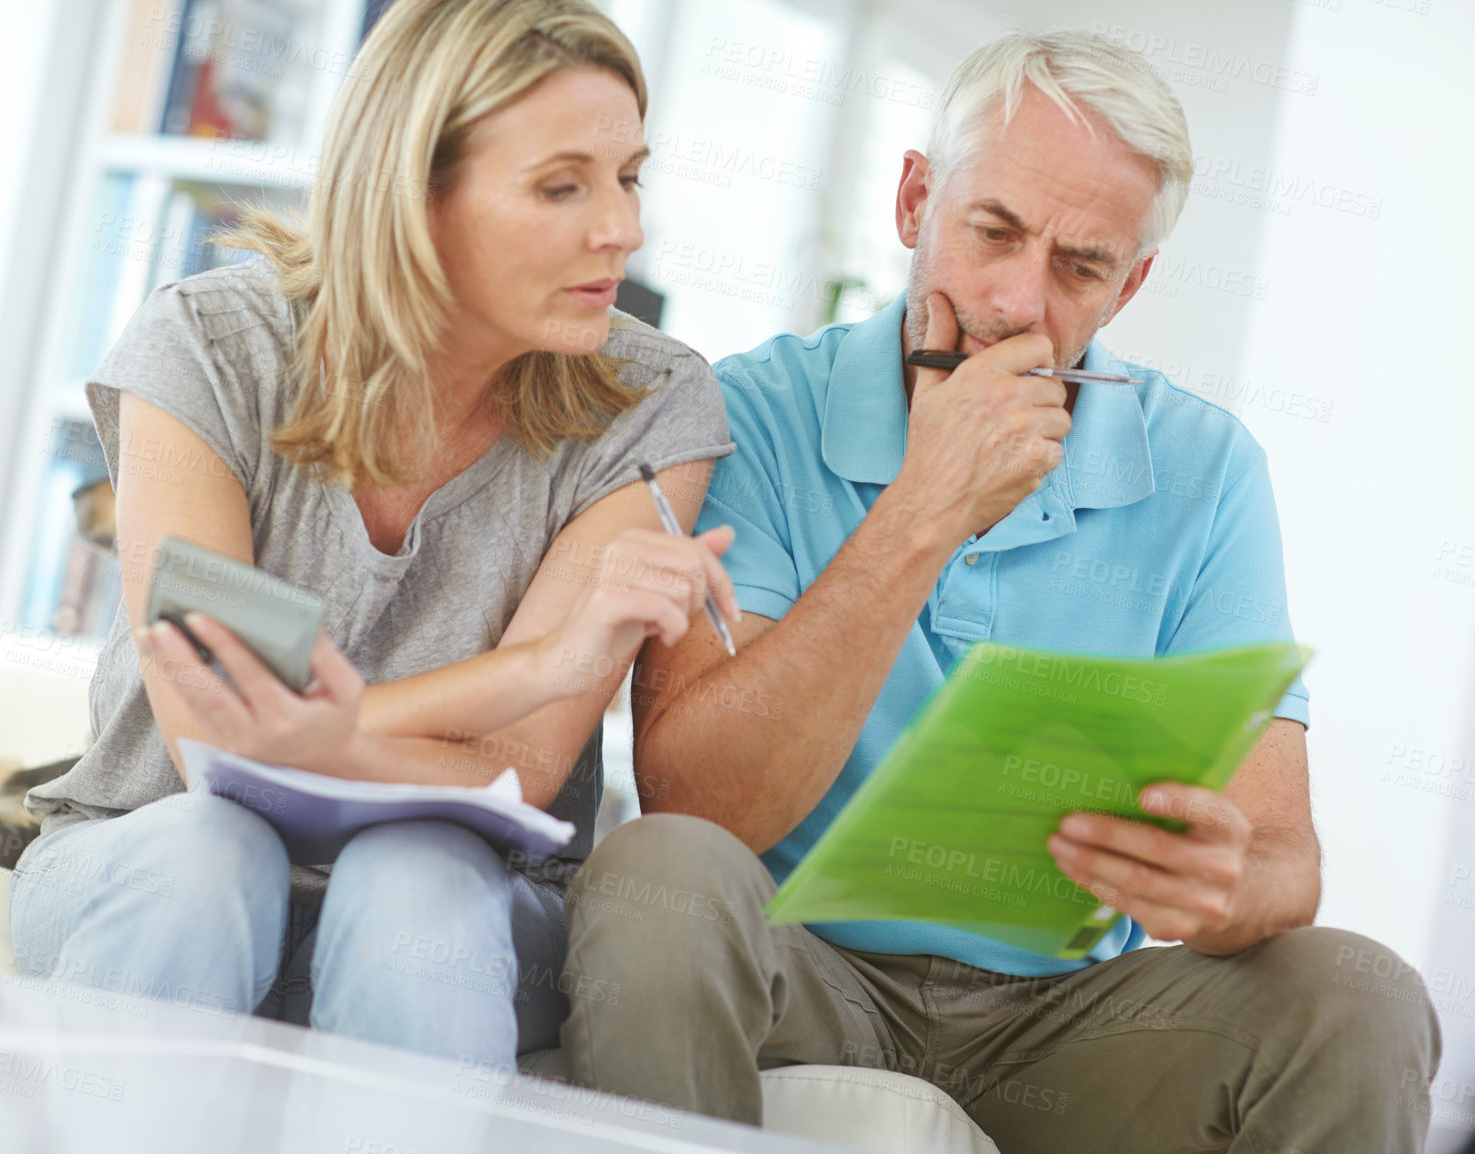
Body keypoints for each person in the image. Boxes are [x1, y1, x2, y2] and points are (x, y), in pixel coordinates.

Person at [556, 30, 1441, 1152]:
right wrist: (927, 505)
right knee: (654, 873)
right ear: (914, 198)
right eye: (994, 231)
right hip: (804, 969)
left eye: (1079, 265)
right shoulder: (754, 411)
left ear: (1132, 283)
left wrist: (1224, 883)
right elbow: (700, 804)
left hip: (1066, 1018)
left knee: (1358, 991)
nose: (1021, 299)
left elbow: (1283, 858)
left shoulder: (1208, 469)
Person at [13, 0, 738, 1075]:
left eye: (628, 176)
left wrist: (330, 731)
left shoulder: (650, 401)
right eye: (561, 185)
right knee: (207, 851)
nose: (620, 229)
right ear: (417, 192)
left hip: (468, 893)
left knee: (421, 867)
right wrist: (535, 664)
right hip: (159, 852)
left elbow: (515, 774)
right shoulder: (207, 348)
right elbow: (211, 735)